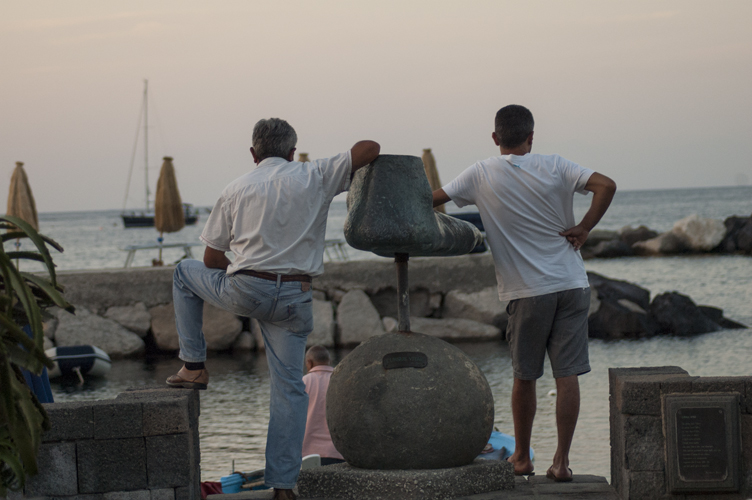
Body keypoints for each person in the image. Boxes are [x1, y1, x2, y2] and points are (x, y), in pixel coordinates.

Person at [165, 118, 379, 500]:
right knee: (289, 392)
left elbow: (211, 258)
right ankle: (284, 487)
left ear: (253, 153)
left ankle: (194, 366)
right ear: (293, 151)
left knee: (183, 273)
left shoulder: (235, 188)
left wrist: (244, 268)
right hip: (296, 295)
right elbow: (370, 147)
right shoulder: (314, 174)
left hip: (248, 288)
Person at [432, 105, 616, 482]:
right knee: (567, 376)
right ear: (532, 137)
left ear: (496, 138)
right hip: (572, 284)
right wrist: (584, 228)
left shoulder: (481, 172)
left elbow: (432, 198)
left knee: (525, 376)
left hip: (528, 291)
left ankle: (521, 458)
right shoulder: (557, 165)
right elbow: (606, 185)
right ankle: (562, 463)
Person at [301, 345, 344, 465]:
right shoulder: (342, 381)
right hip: (339, 453)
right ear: (329, 362)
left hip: (307, 455)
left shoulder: (302, 383)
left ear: (309, 363)